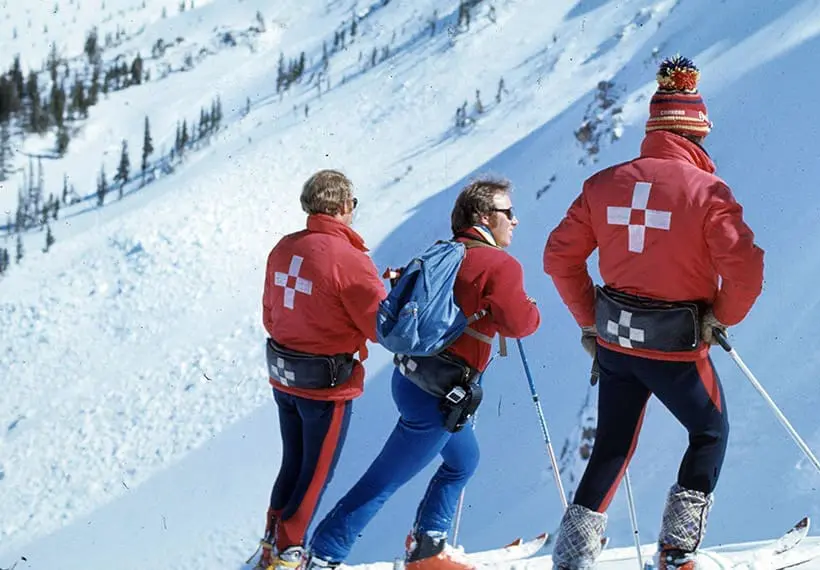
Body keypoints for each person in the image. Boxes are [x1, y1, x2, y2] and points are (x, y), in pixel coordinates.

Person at [542, 56, 765, 570]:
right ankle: (676, 553)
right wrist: (720, 316)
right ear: (695, 136)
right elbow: (746, 269)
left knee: (612, 448)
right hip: (677, 345)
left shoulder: (603, 185)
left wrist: (588, 320)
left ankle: (572, 559)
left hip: (617, 340)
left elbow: (559, 256)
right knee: (708, 433)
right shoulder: (708, 193)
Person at [305, 177, 541, 570]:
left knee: (464, 460)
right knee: (385, 479)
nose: (514, 221)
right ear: (484, 216)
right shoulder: (501, 265)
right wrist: (530, 307)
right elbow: (520, 324)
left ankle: (428, 548)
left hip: (415, 380)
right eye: (508, 213)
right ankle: (326, 554)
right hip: (442, 396)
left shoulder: (441, 252)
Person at [252, 170, 387, 570]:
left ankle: (270, 543)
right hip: (326, 385)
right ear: (344, 207)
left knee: (292, 462)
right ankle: (289, 552)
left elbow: (269, 314)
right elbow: (378, 326)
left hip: (285, 375)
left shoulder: (282, 249)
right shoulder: (351, 260)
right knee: (316, 474)